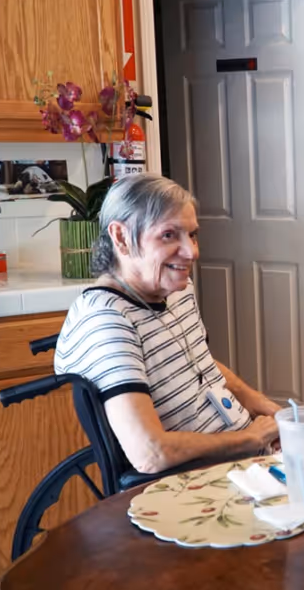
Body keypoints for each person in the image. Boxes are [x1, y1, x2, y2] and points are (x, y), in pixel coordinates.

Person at [54, 173, 280, 474]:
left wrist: (265, 409)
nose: (192, 252)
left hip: (245, 455)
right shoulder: (106, 319)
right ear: (120, 237)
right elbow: (149, 453)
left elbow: (199, 364)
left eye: (193, 234)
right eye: (169, 235)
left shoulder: (176, 290)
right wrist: (250, 439)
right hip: (197, 478)